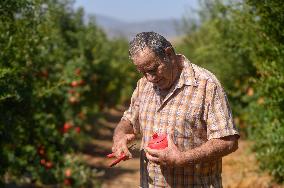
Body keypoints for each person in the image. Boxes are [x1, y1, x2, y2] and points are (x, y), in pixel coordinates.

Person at [111, 31, 239, 188]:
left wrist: (183, 159)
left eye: (153, 69)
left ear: (169, 54)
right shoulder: (143, 85)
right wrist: (120, 137)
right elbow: (128, 120)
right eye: (143, 72)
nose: (150, 78)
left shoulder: (206, 85)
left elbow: (228, 141)